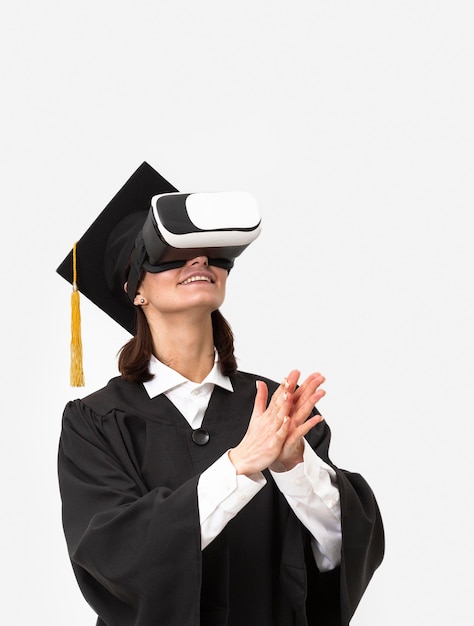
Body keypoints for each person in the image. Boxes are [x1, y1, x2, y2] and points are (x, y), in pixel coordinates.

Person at [56, 162, 385, 626]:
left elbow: (338, 557)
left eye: (212, 253)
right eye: (171, 253)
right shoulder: (96, 422)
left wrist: (295, 467)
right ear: (136, 290)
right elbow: (114, 559)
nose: (199, 261)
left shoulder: (276, 407)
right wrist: (238, 466)